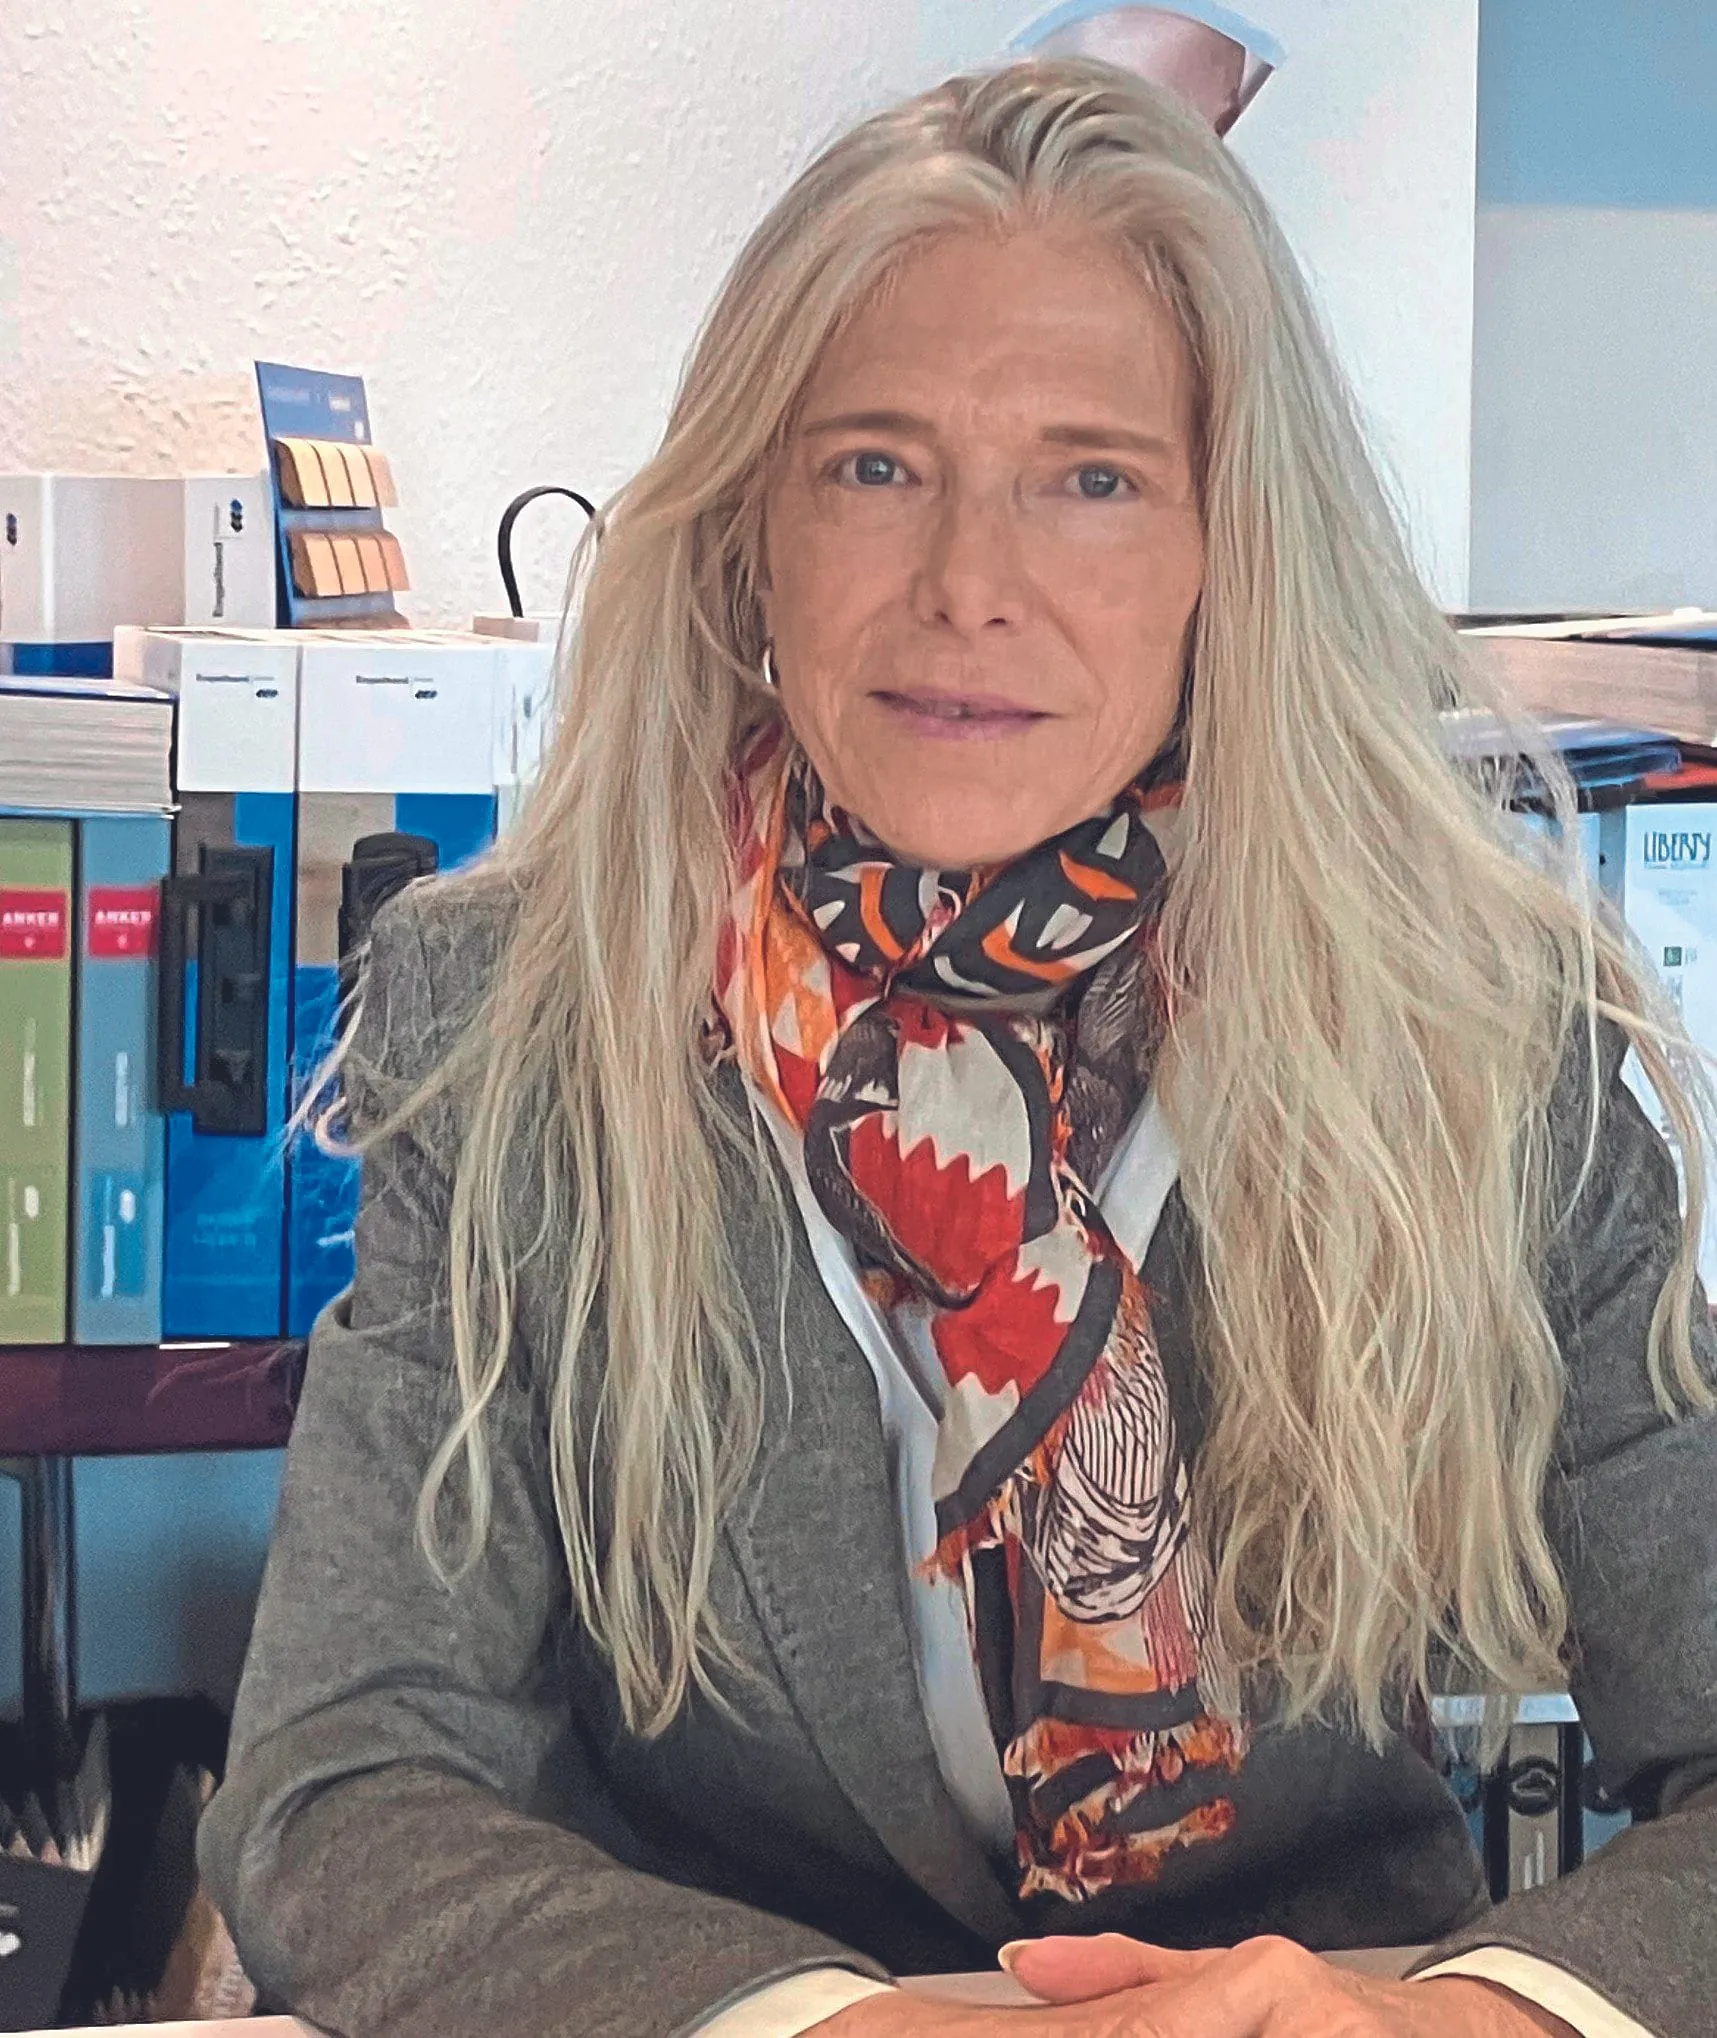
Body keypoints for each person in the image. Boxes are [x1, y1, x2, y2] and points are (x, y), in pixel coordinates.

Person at [201, 57, 1717, 2038]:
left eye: (1092, 478)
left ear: (1230, 547)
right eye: (875, 466)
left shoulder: (1483, 1032)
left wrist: (1475, 2013)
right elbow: (340, 1778)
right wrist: (826, 2023)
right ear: (751, 528)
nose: (968, 588)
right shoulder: (511, 1015)